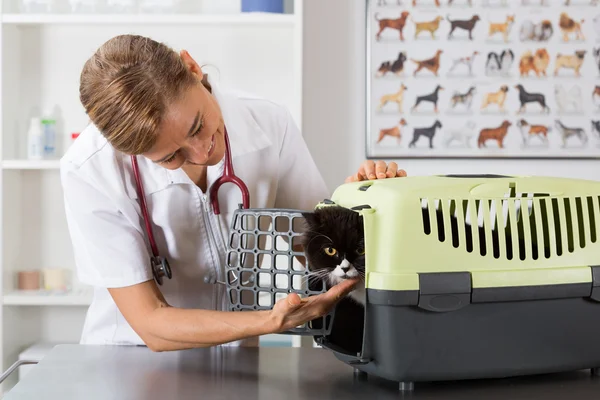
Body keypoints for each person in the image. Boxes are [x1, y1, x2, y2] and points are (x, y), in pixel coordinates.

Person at [60, 34, 406, 351]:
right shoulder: (89, 168)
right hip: (130, 361)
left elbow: (315, 249)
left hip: (236, 361)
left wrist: (366, 201)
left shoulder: (269, 123)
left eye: (197, 126)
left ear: (192, 67)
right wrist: (270, 321)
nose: (200, 153)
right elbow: (151, 322)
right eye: (170, 157)